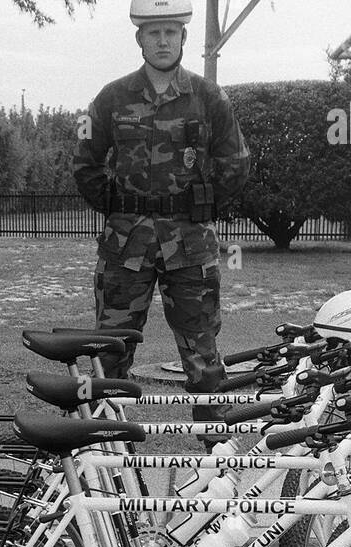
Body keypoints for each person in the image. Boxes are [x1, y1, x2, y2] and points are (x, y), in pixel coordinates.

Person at [74, 0, 250, 414]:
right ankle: (104, 458)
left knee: (203, 358)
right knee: (110, 354)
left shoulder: (208, 97)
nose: (163, 40)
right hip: (125, 247)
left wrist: (201, 204)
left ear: (184, 36)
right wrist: (120, 208)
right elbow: (85, 162)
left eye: (171, 32)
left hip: (189, 245)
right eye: (154, 33)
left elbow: (237, 161)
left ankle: (218, 461)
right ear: (140, 39)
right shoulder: (111, 98)